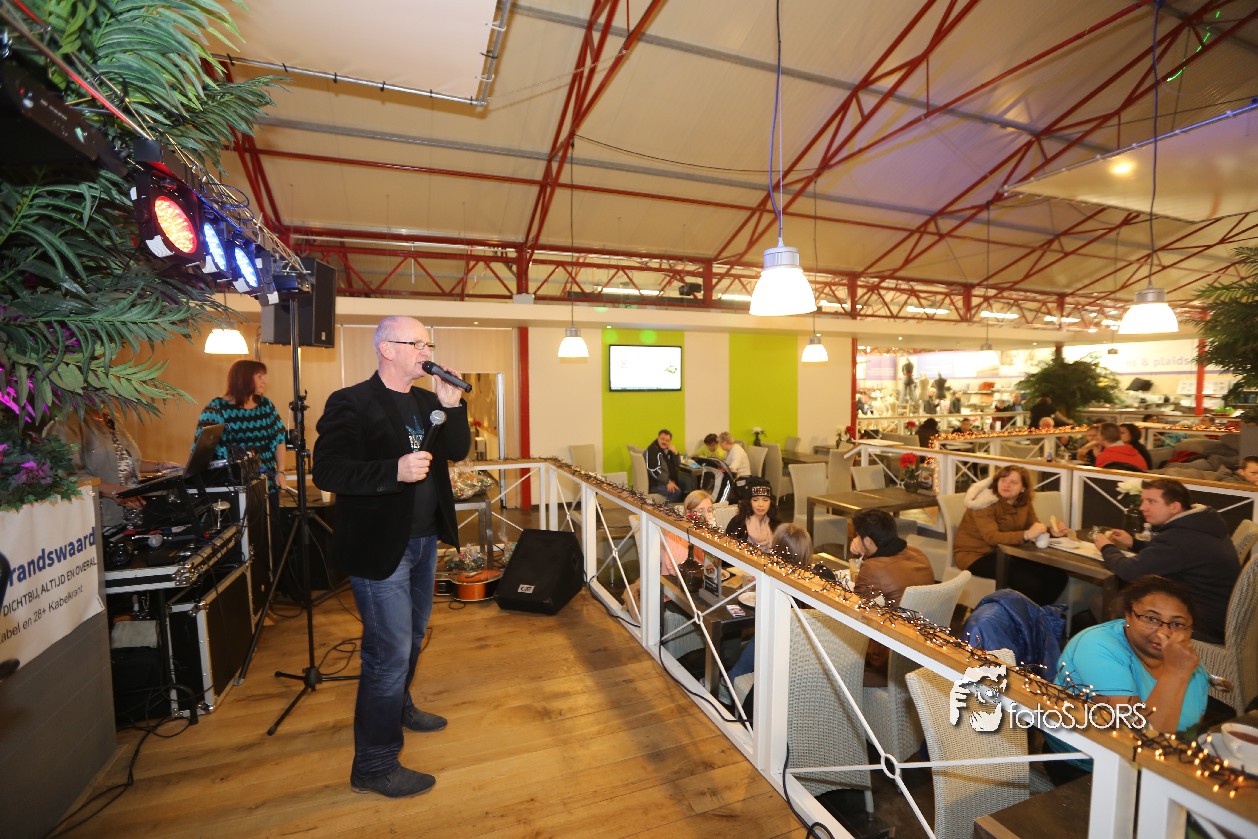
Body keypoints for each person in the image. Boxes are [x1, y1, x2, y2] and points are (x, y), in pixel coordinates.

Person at [311, 316, 470, 799]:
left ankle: (399, 706)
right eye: (416, 343)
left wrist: (452, 407)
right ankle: (374, 765)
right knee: (387, 654)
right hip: (380, 547)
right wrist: (393, 471)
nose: (427, 351)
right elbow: (328, 470)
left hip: (424, 541)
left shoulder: (427, 401)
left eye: (429, 343)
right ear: (386, 349)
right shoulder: (351, 401)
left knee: (414, 637)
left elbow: (457, 451)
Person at [1046, 576, 1209, 785]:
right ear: (1128, 615)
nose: (1165, 632)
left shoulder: (1192, 668)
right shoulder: (1097, 646)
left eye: (1177, 624)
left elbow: (1189, 734)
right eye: (1151, 618)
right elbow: (1138, 741)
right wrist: (1175, 673)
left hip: (1161, 772)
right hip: (1086, 769)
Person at [1092, 478, 1238, 642]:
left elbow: (1129, 571)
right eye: (1143, 501)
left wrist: (1106, 547)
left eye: (1151, 502)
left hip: (1201, 626)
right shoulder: (1201, 525)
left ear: (1174, 507)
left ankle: (1120, 653)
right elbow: (1170, 556)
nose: (1142, 507)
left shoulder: (1180, 537)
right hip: (1218, 618)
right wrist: (1134, 543)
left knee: (1109, 604)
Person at [953, 464, 1069, 605]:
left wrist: (1052, 531)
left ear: (1023, 488)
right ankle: (1021, 616)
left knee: (1058, 576)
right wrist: (1026, 534)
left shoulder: (1024, 503)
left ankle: (1038, 614)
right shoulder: (984, 502)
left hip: (1008, 553)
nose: (1006, 485)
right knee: (1031, 582)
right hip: (976, 556)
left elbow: (1034, 527)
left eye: (1013, 482)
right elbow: (991, 538)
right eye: (1003, 480)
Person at [49, 408, 181, 527]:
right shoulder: (66, 423)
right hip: (98, 518)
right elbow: (69, 476)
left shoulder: (110, 418)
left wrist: (159, 466)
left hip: (131, 514)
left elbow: (125, 462)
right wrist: (115, 491)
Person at [848, 509, 934, 685]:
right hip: (924, 647)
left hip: (888, 657)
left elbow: (856, 613)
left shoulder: (873, 568)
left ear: (868, 541)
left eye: (857, 535)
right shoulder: (919, 554)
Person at [198, 359, 287, 492]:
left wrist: (281, 471)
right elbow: (202, 452)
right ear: (244, 378)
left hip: (268, 483)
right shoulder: (216, 408)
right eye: (260, 377)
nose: (265, 381)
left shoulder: (266, 405)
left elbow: (279, 439)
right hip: (233, 487)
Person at [725, 483, 779, 551]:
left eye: (765, 500)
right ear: (749, 502)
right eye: (755, 500)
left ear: (770, 502)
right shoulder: (737, 524)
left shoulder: (775, 524)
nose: (761, 504)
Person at [645, 428, 684, 502]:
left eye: (667, 440)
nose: (664, 442)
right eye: (662, 439)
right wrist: (668, 482)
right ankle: (665, 508)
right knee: (676, 492)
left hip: (664, 480)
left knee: (684, 486)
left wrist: (675, 452)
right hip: (655, 483)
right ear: (658, 438)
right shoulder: (653, 450)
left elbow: (678, 464)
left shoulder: (666, 451)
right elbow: (654, 470)